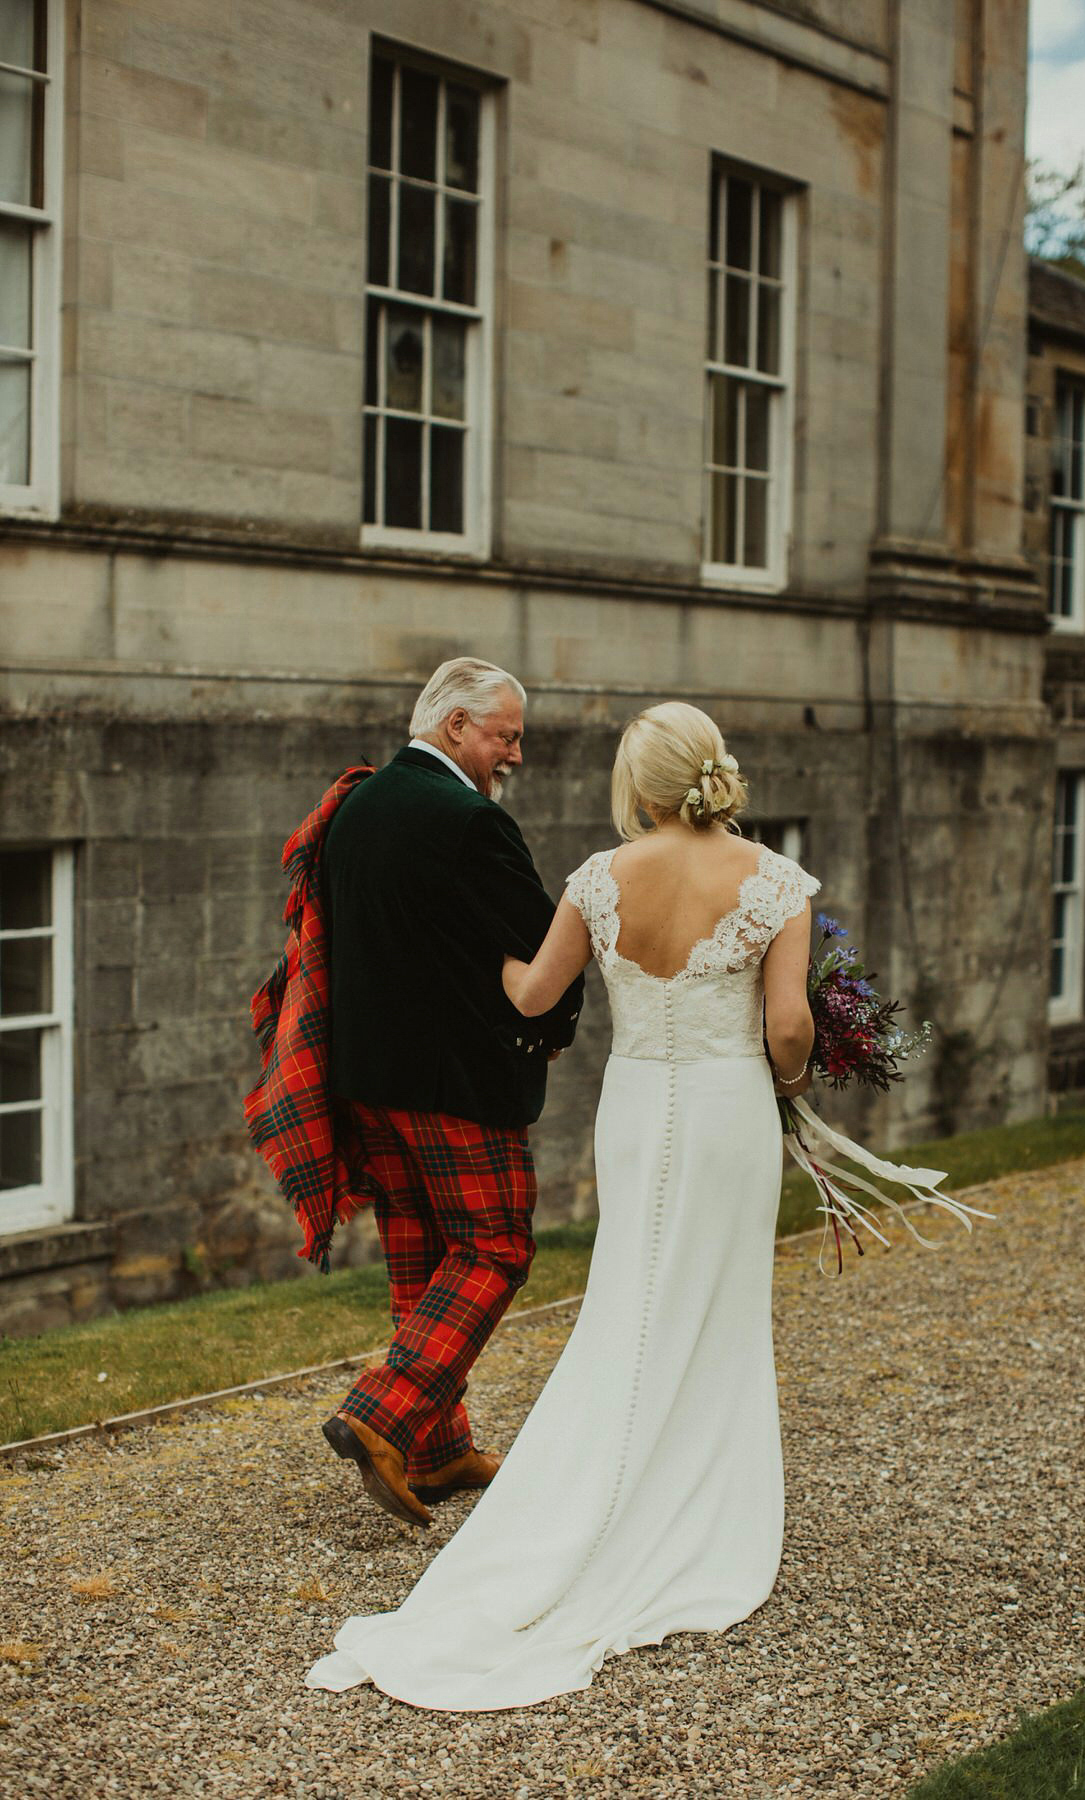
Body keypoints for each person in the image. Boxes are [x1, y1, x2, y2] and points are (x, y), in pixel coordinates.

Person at [307, 700, 818, 1709]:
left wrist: (476, 955)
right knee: (716, 1308)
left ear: (641, 785)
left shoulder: (597, 878)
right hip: (727, 1118)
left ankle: (596, 1492)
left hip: (635, 1114)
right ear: (715, 775)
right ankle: (696, 1506)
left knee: (628, 1304)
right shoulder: (776, 883)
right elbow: (791, 1025)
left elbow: (533, 994)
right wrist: (793, 1081)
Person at [318, 658, 585, 1527]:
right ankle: (383, 1414)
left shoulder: (352, 807)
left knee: (422, 1257)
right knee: (495, 1246)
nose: (513, 752)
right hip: (453, 1083)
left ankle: (437, 1452)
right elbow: (546, 944)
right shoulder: (471, 820)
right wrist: (550, 1029)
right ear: (456, 725)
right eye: (505, 734)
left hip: (368, 1078)